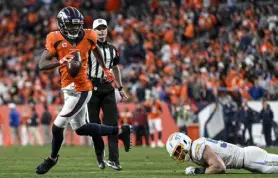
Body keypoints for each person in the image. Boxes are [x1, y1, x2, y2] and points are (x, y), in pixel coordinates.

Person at [35, 7, 131, 175]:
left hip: (82, 89)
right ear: (62, 25)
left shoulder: (89, 35)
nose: (74, 29)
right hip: (68, 88)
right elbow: (42, 64)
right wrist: (61, 61)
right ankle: (121, 131)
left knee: (58, 126)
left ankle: (52, 158)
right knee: (81, 128)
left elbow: (96, 50)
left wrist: (105, 69)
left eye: (76, 25)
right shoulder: (54, 37)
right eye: (70, 26)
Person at [87, 18, 128, 170]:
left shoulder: (112, 48)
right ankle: (100, 157)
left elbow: (115, 68)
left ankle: (114, 160)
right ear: (93, 31)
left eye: (104, 28)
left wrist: (120, 87)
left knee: (112, 125)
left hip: (108, 88)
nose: (102, 31)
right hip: (91, 88)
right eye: (99, 28)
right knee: (94, 126)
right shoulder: (88, 47)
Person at [166, 132, 278, 174]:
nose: (179, 155)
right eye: (175, 154)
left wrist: (197, 171)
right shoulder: (195, 148)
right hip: (248, 161)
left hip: (252, 159)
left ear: (184, 141)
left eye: (178, 150)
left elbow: (219, 167)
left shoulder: (197, 149)